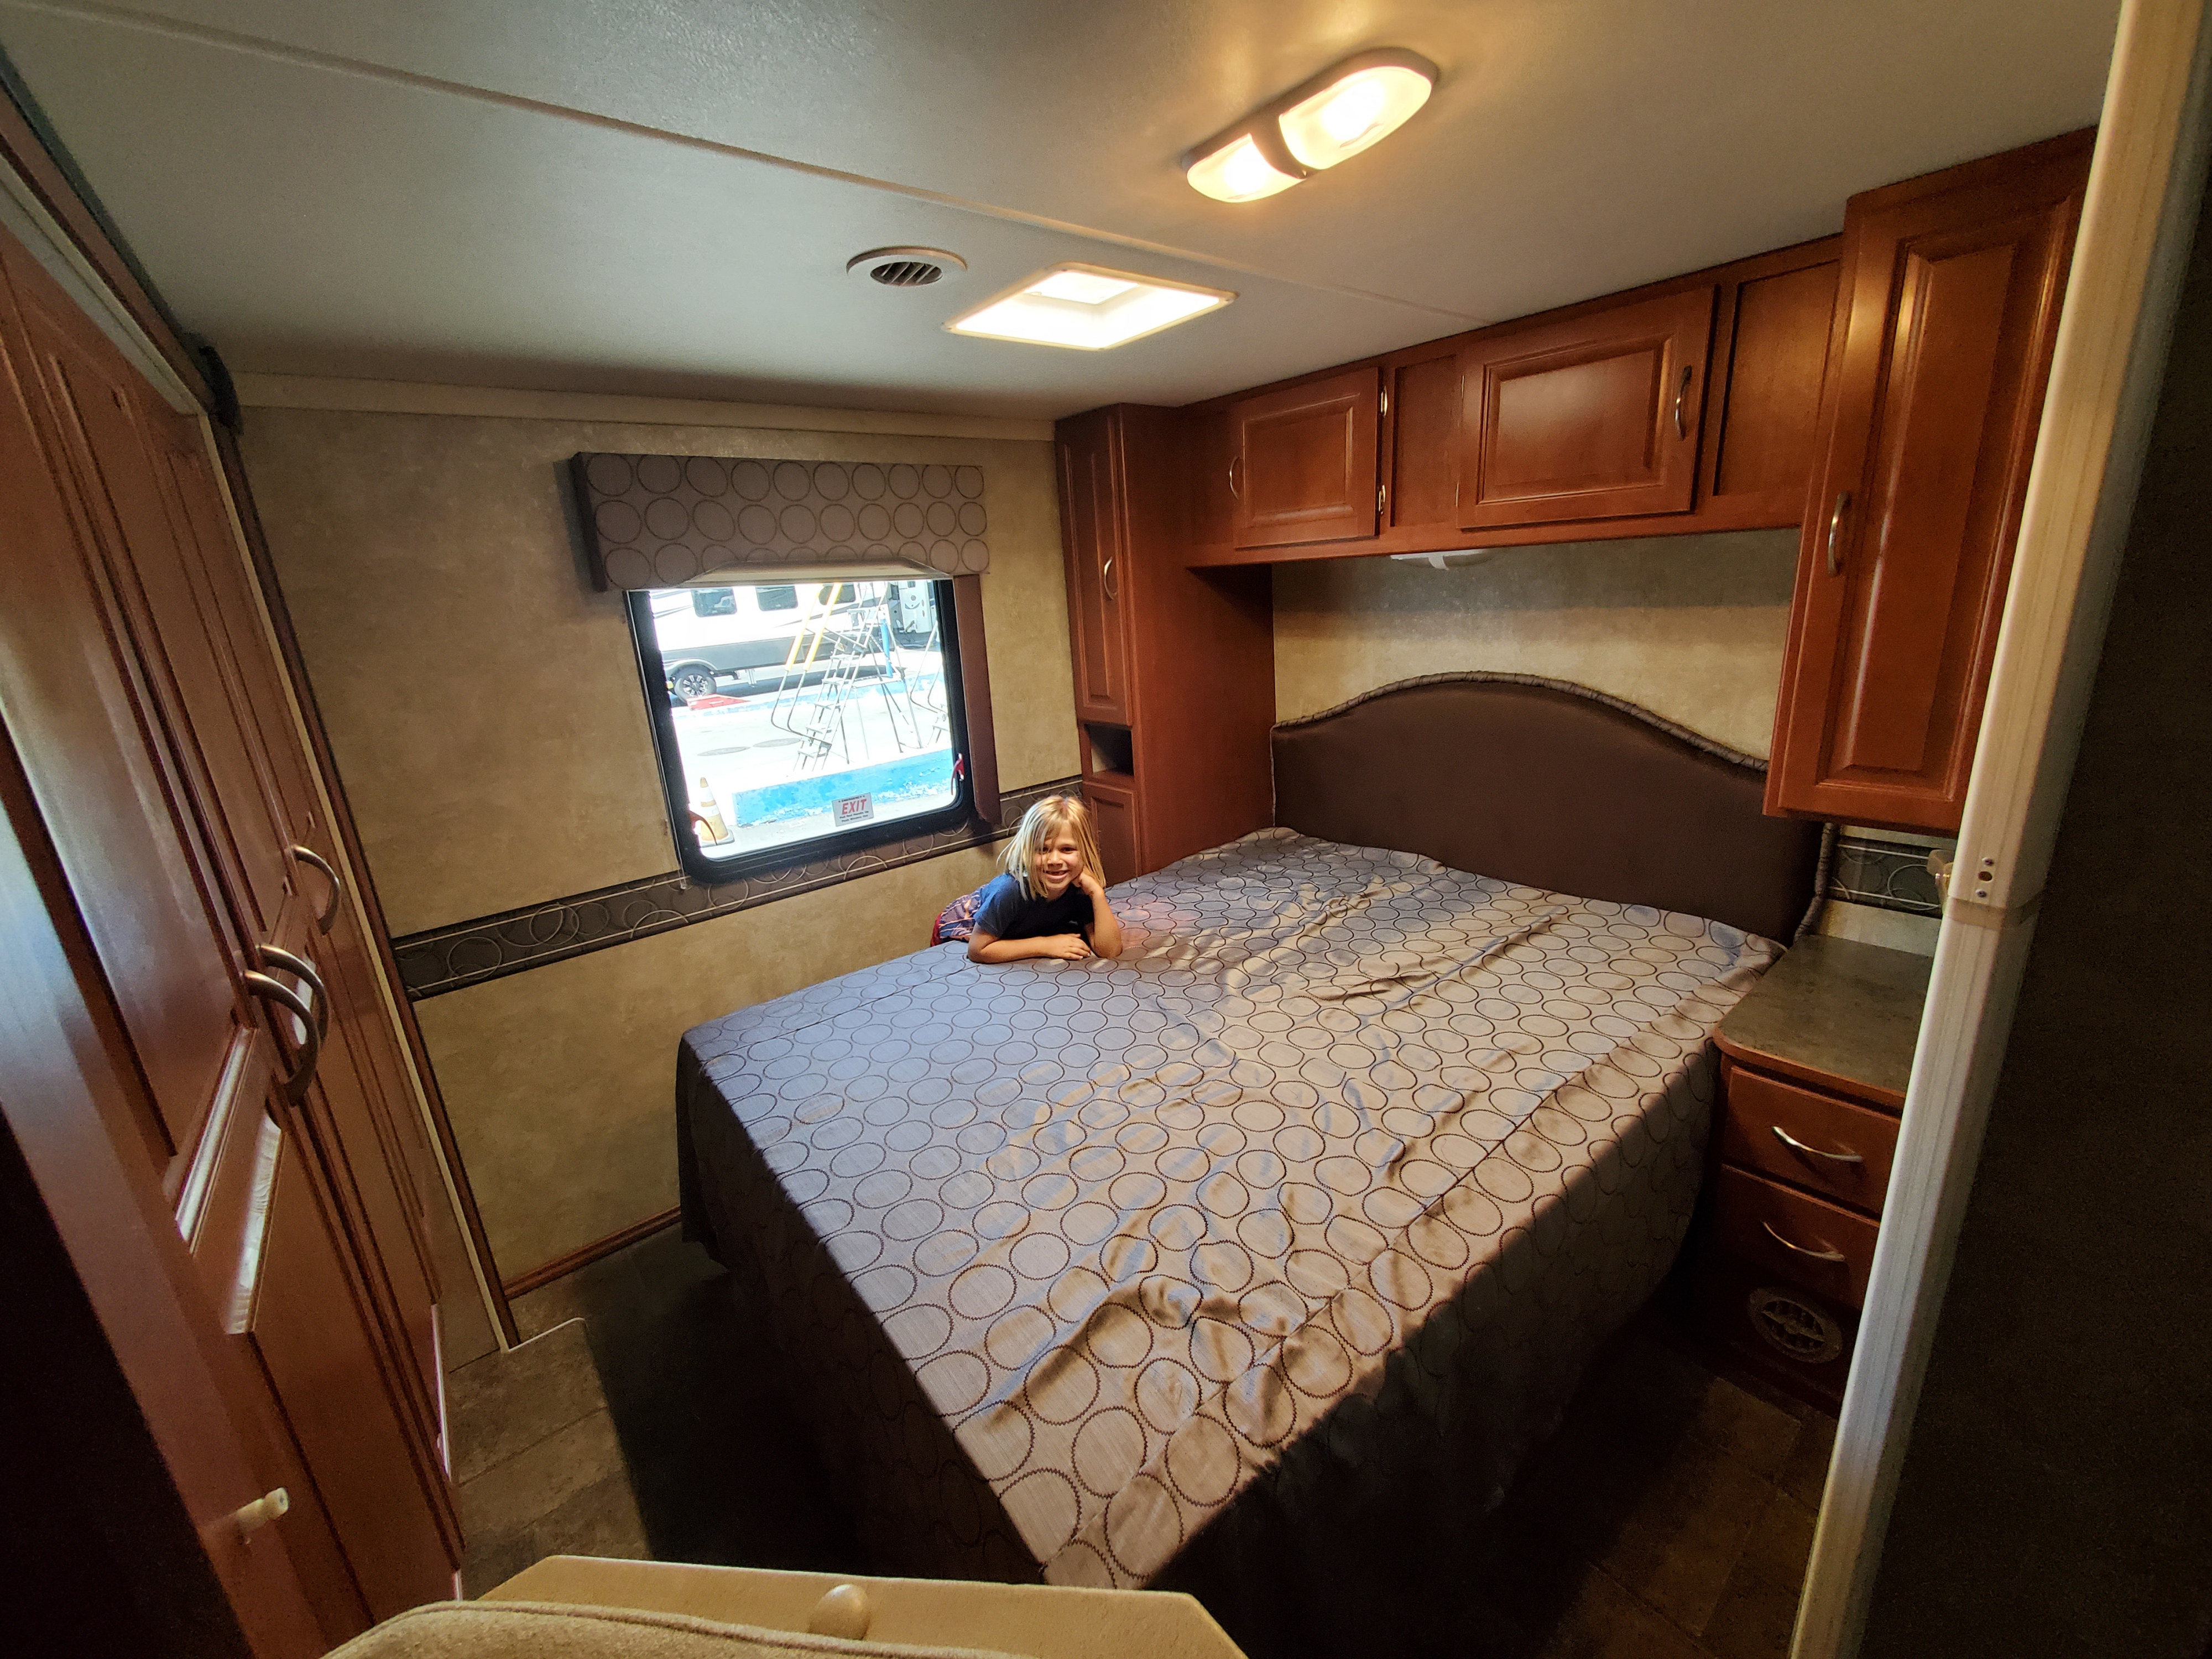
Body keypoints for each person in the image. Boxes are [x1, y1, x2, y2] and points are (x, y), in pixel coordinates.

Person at [966, 795, 1124, 963]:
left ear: (1085, 851)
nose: (1055, 860)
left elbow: (1110, 950)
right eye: (1043, 850)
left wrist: (1097, 894)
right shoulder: (1009, 891)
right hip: (965, 922)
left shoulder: (1079, 889)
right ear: (1026, 852)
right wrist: (1045, 945)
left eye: (1067, 849)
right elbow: (977, 950)